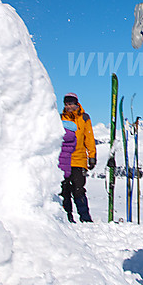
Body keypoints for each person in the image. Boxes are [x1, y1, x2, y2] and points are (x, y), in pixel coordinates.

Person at [59, 93, 97, 222]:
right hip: (63, 160)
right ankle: (67, 217)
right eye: (66, 104)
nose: (68, 106)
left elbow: (89, 137)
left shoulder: (84, 118)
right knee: (64, 190)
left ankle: (85, 218)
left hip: (79, 159)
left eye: (70, 104)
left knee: (78, 189)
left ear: (76, 103)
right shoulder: (60, 118)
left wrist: (92, 155)